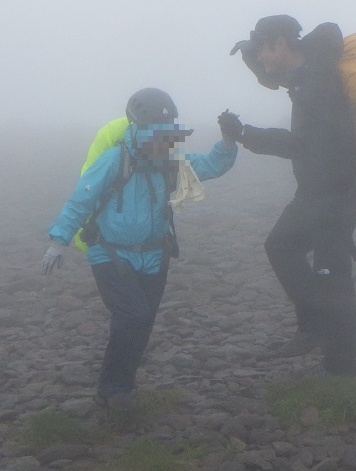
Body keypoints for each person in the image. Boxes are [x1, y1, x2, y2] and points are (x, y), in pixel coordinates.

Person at [43, 88, 237, 411]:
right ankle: (112, 389)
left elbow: (209, 166)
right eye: (155, 134)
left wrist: (229, 142)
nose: (162, 142)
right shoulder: (112, 160)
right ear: (136, 128)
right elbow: (81, 199)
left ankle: (122, 388)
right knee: (133, 315)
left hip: (155, 255)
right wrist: (58, 241)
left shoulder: (169, 162)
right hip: (110, 254)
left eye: (167, 135)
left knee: (142, 322)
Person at [221, 15, 356, 376]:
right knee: (289, 250)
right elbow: (272, 75)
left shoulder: (318, 84)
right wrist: (248, 54)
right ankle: (316, 332)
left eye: (264, 50)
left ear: (282, 44)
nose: (262, 59)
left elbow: (301, 145)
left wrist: (245, 133)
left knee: (329, 273)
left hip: (336, 191)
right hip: (318, 189)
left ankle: (340, 369)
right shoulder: (303, 75)